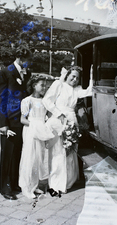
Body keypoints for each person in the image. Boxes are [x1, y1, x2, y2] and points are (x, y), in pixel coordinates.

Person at [42, 65, 93, 196]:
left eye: (77, 77)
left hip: (71, 120)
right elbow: (47, 101)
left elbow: (89, 92)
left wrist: (92, 76)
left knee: (70, 151)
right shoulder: (58, 85)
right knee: (58, 152)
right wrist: (58, 114)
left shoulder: (77, 90)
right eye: (73, 76)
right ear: (67, 75)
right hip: (59, 120)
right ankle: (56, 183)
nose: (75, 79)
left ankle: (68, 181)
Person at [0, 41, 32, 200]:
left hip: (21, 121)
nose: (28, 62)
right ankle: (5, 187)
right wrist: (3, 124)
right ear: (19, 57)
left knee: (17, 153)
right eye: (26, 59)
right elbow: (0, 99)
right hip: (9, 121)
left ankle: (15, 183)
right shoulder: (5, 72)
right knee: (7, 154)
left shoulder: (27, 73)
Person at [19, 75, 55, 199]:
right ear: (34, 86)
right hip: (31, 131)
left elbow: (49, 115)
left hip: (41, 132)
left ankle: (35, 186)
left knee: (39, 159)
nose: (44, 87)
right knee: (30, 158)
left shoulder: (45, 101)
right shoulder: (27, 101)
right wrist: (35, 125)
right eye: (42, 85)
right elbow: (23, 119)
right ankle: (26, 187)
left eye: (45, 85)